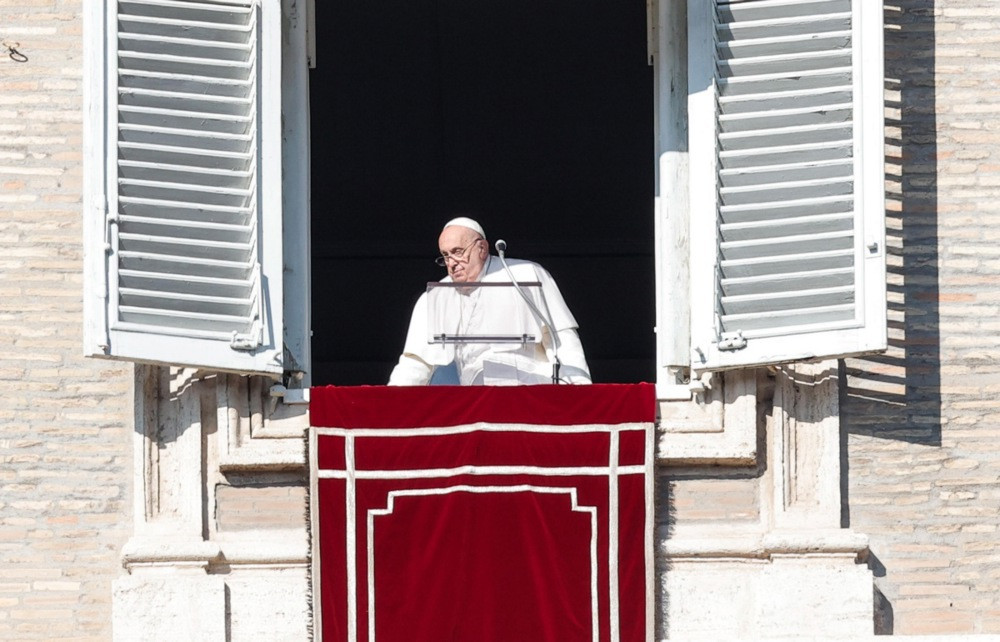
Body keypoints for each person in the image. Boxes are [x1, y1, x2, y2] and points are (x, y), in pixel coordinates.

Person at [388, 217, 592, 386]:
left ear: (482, 248)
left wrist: (579, 392)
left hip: (530, 392)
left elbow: (561, 338)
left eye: (458, 252)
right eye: (445, 256)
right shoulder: (436, 297)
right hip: (477, 401)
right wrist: (390, 404)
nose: (451, 263)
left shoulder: (524, 275)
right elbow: (415, 363)